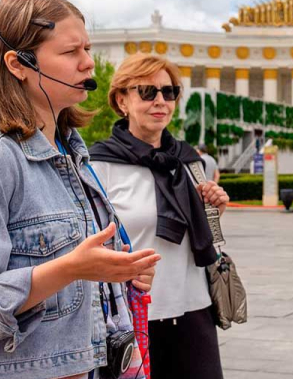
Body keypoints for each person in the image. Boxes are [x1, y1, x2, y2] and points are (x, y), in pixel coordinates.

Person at [0, 0, 158, 379]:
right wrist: (69, 270)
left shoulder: (71, 151)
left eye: (87, 48)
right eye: (71, 51)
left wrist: (116, 273)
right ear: (18, 64)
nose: (88, 62)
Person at [89, 53, 231, 379]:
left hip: (194, 310)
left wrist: (214, 211)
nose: (160, 101)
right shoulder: (99, 166)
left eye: (169, 92)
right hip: (132, 315)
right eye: (147, 92)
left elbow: (200, 236)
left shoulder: (189, 161)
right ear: (122, 101)